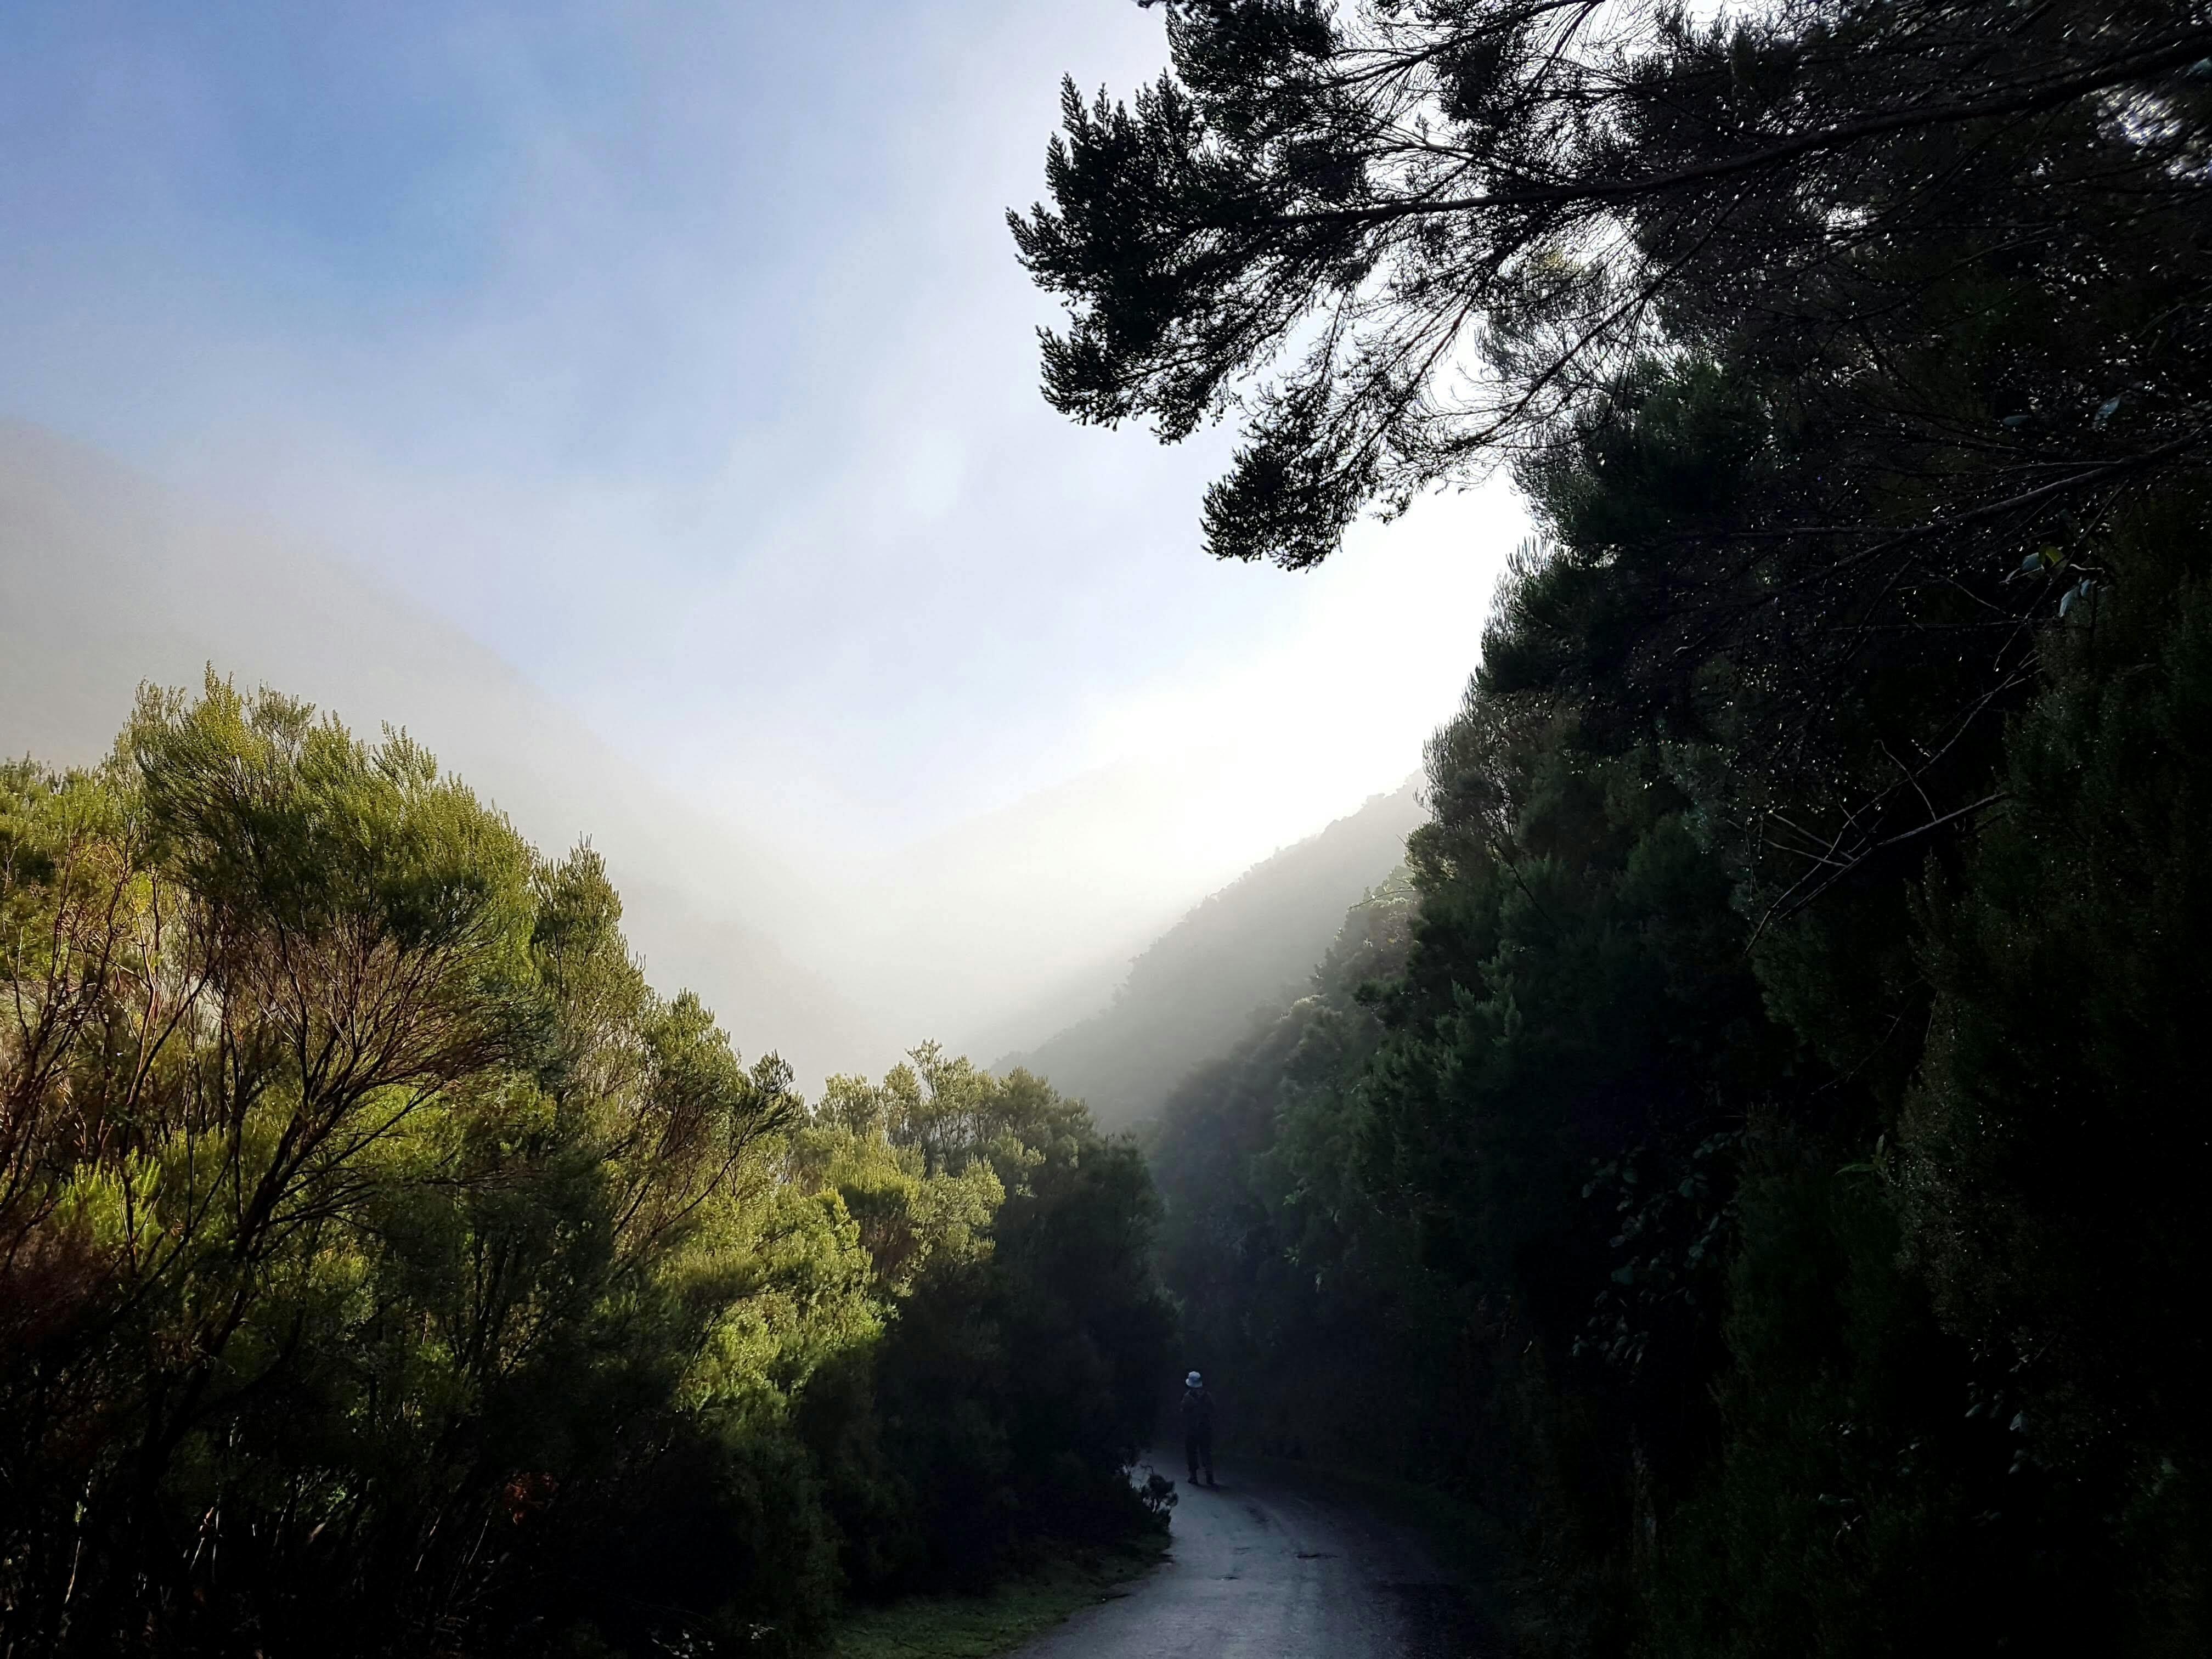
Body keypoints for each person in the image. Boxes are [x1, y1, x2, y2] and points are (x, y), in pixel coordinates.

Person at [1180, 1369, 1215, 1487]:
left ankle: (1194, 1476)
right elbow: (1213, 1411)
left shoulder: (1187, 1397)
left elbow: (1183, 1412)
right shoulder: (1207, 1396)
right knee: (1206, 1452)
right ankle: (1209, 1474)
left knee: (1192, 1452)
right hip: (1205, 1428)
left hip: (1192, 1429)